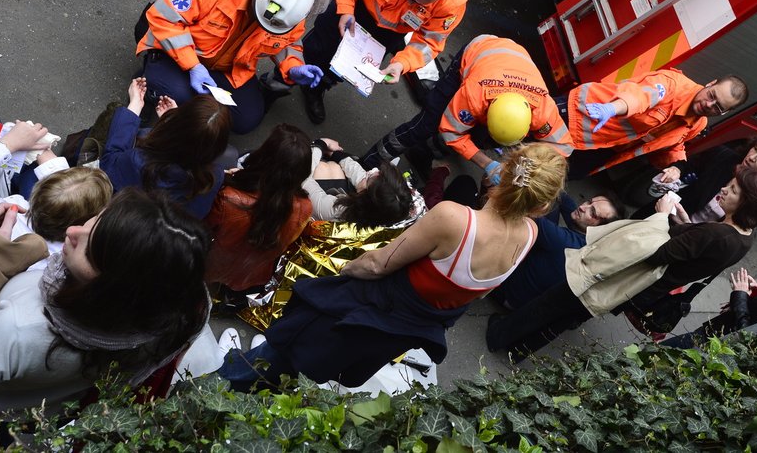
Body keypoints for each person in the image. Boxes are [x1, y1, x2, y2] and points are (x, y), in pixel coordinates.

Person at [218, 143, 567, 391]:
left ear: (502, 171)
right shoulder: (531, 236)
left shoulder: (454, 217)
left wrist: (342, 275)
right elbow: (474, 293)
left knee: (282, 350)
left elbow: (377, 264)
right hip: (398, 332)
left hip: (366, 308)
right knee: (311, 363)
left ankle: (221, 389)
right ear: (543, 205)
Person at [0, 188, 211, 445]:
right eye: (94, 220)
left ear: (110, 289)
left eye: (89, 251)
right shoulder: (183, 310)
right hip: (41, 411)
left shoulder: (20, 328)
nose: (72, 231)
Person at [485, 167, 757, 361]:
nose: (724, 190)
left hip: (627, 276)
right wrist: (686, 226)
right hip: (640, 288)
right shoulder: (744, 237)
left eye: (735, 191)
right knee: (570, 314)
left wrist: (662, 214)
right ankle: (520, 349)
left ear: (748, 203)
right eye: (730, 184)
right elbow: (696, 251)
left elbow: (660, 253)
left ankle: (500, 334)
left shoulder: (718, 234)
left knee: (557, 300)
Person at [135, 0, 331, 133]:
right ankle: (148, 89)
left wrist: (293, 67)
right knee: (181, 95)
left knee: (246, 118)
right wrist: (193, 65)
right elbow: (163, 17)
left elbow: (288, 42)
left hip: (227, 69)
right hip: (177, 54)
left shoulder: (291, 13)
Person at [300, 0, 468, 124]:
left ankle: (317, 88)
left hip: (390, 33)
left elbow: (429, 43)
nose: (410, 4)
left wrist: (401, 64)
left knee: (349, 67)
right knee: (320, 44)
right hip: (356, 5)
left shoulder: (454, 4)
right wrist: (346, 8)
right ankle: (288, 71)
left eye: (419, 4)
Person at [362, 34, 573, 182]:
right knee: (427, 123)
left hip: (509, 61)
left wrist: (528, 167)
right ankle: (368, 162)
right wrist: (487, 164)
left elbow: (564, 148)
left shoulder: (544, 109)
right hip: (479, 50)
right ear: (487, 110)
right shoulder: (474, 95)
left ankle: (422, 153)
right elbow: (451, 132)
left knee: (477, 139)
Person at [0, 120, 113, 264]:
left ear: (34, 195)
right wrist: (40, 147)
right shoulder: (67, 261)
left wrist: (10, 142)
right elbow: (69, 189)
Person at [559, 70, 749, 179]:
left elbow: (674, 145)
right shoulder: (672, 84)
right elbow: (641, 95)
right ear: (710, 83)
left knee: (556, 177)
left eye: (717, 107)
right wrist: (614, 107)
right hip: (581, 116)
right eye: (712, 95)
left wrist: (677, 167)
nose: (709, 105)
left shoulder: (698, 124)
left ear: (724, 113)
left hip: (603, 147)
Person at [100, 78, 231, 219]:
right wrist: (173, 121)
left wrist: (135, 106)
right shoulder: (214, 177)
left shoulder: (138, 161)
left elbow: (109, 162)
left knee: (143, 133)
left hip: (122, 216)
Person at [204, 124, 313, 292]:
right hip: (250, 276)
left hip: (209, 269)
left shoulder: (227, 198)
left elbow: (202, 229)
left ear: (264, 155)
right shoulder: (305, 208)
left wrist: (225, 178)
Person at [491, 188, 626, 311]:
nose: (584, 207)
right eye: (589, 202)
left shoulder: (565, 242)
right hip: (524, 298)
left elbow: (527, 207)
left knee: (474, 187)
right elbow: (561, 196)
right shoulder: (591, 241)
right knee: (552, 202)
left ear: (599, 229)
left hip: (504, 291)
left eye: (593, 213)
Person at [632, 135, 757, 222]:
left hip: (683, 237)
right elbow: (688, 164)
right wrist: (676, 169)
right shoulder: (723, 156)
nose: (753, 156)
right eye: (756, 149)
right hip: (660, 215)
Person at [303, 137, 414, 227]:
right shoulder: (378, 210)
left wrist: (320, 144)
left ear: (364, 197)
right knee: (335, 168)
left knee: (321, 168)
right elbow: (359, 175)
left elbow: (302, 175)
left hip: (309, 214)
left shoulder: (336, 211)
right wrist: (336, 154)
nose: (371, 171)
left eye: (368, 177)